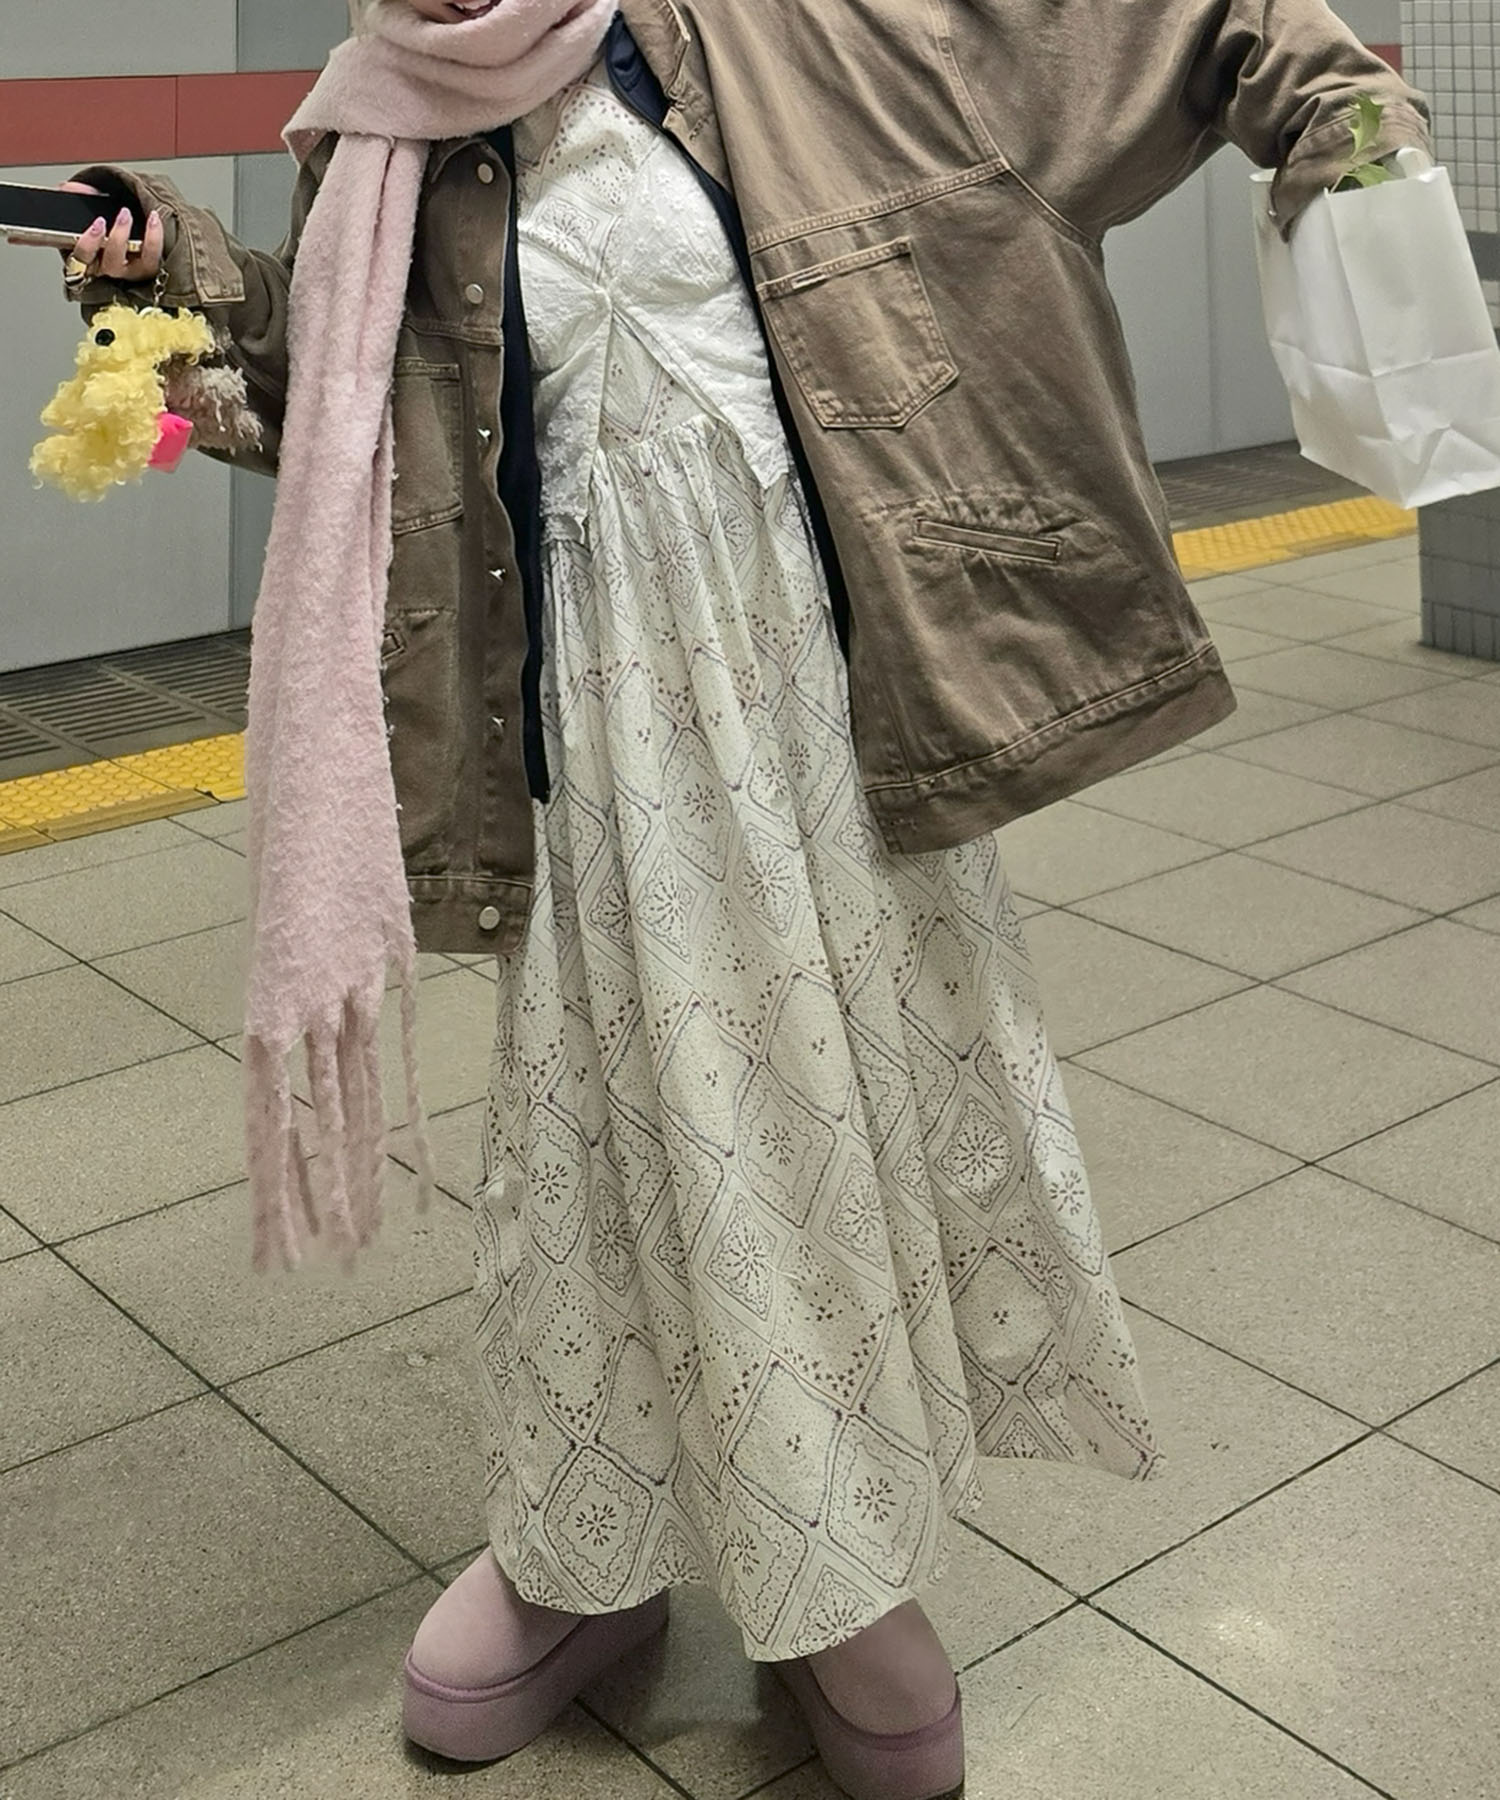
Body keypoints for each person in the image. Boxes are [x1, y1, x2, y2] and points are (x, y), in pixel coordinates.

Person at [46, 2, 1429, 1795]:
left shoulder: (802, 25)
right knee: (599, 1122)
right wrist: (169, 274)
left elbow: (1161, 30)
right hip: (578, 730)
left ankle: (837, 1557)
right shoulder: (384, 131)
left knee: (805, 1095)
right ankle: (582, 1541)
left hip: (817, 711)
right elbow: (336, 402)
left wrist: (1336, 120)